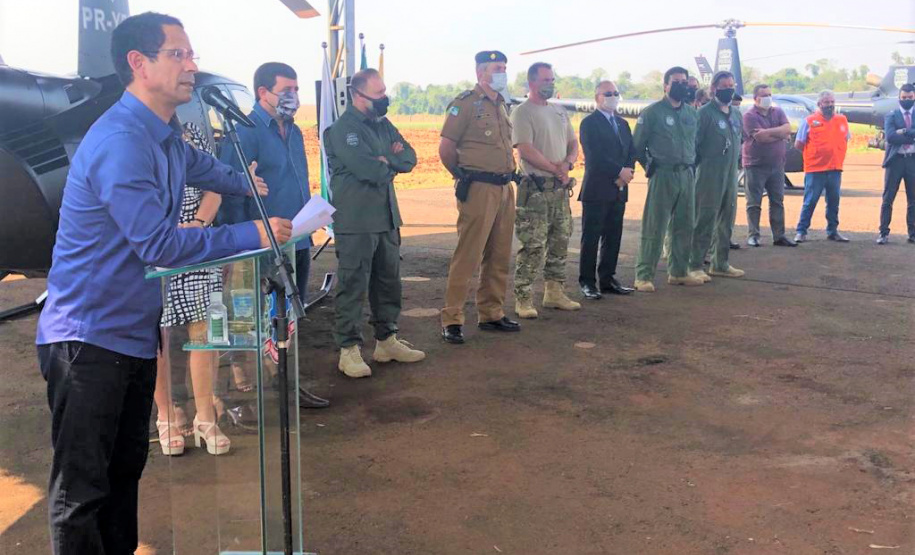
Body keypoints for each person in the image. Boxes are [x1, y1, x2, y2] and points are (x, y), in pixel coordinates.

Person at [34, 12, 291, 555]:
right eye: (178, 54)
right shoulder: (122, 141)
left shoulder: (165, 135)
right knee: (83, 491)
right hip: (86, 341)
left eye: (191, 54)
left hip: (131, 334)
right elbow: (158, 246)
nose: (192, 65)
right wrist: (250, 232)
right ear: (138, 63)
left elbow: (204, 167)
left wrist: (247, 181)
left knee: (125, 474)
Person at [218, 62, 328, 408]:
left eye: (296, 90)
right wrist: (239, 245)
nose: (293, 97)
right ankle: (262, 387)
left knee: (289, 315)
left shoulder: (294, 130)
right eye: (286, 91)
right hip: (262, 245)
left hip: (297, 238)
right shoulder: (245, 132)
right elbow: (231, 190)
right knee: (258, 316)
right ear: (263, 93)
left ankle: (285, 382)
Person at [323, 68, 424, 377]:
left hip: (386, 217)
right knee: (353, 284)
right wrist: (385, 161)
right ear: (358, 96)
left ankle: (386, 340)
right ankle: (349, 350)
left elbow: (409, 157)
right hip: (356, 220)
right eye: (378, 94)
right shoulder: (342, 130)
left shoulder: (383, 124)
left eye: (384, 92)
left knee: (388, 281)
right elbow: (370, 171)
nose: (384, 99)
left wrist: (387, 160)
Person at [154, 122, 231, 457]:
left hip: (198, 246)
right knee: (158, 337)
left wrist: (198, 224)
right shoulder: (134, 141)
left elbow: (215, 187)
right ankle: (167, 415)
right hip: (156, 248)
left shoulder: (193, 135)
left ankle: (205, 417)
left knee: (205, 334)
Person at [439, 51, 521, 344]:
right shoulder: (465, 105)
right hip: (478, 188)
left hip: (503, 188)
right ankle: (452, 318)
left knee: (499, 254)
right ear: (481, 73)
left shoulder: (502, 104)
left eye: (504, 68)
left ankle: (491, 312)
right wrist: (462, 175)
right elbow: (446, 148)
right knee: (468, 254)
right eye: (498, 68)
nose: (503, 72)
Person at [511, 62, 581, 318]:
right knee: (533, 245)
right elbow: (525, 149)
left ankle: (554, 292)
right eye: (545, 79)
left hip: (559, 189)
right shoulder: (522, 112)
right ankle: (523, 297)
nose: (550, 83)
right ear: (531, 82)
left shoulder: (560, 112)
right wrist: (556, 168)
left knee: (560, 240)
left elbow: (573, 143)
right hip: (536, 189)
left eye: (552, 79)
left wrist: (568, 164)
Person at [632, 66, 703, 292]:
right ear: (666, 86)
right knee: (655, 226)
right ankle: (644, 275)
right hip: (663, 174)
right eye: (676, 81)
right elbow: (637, 146)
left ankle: (679, 272)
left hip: (687, 174)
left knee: (684, 225)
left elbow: (696, 143)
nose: (682, 85)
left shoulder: (692, 113)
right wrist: (650, 166)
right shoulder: (652, 113)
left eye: (685, 81)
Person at [578, 80, 637, 300]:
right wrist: (619, 172)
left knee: (613, 236)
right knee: (591, 237)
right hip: (597, 188)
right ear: (597, 98)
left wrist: (627, 172)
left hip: (619, 189)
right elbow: (594, 157)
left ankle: (608, 278)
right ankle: (587, 282)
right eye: (607, 93)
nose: (612, 97)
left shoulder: (622, 123)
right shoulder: (589, 123)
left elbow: (631, 150)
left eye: (615, 93)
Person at [688, 71, 745, 281]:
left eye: (732, 85)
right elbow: (693, 145)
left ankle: (720, 263)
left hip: (730, 173)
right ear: (713, 89)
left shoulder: (736, 114)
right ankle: (694, 264)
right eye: (724, 86)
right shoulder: (704, 113)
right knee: (704, 219)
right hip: (708, 175)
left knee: (727, 219)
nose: (729, 89)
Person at [742, 83, 797, 247]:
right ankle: (753, 235)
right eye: (764, 95)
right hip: (755, 165)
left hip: (777, 165)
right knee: (754, 202)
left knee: (777, 201)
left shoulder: (778, 111)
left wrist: (770, 133)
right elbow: (760, 138)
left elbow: (787, 129)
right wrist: (779, 134)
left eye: (769, 94)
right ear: (755, 98)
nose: (767, 98)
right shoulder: (749, 116)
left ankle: (779, 235)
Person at [794, 90, 852, 243]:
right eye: (826, 102)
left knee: (834, 201)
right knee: (810, 201)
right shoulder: (809, 121)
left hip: (835, 168)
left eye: (832, 102)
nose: (830, 105)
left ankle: (832, 231)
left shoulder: (842, 120)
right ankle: (801, 231)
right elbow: (799, 144)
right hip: (815, 169)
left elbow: (846, 139)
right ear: (819, 104)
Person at [876, 83, 915, 244]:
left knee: (913, 200)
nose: (907, 100)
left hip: (912, 160)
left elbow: (897, 134)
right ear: (899, 98)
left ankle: (912, 233)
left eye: (910, 98)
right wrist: (911, 134)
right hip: (895, 161)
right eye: (904, 98)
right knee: (888, 198)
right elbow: (891, 137)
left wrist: (903, 131)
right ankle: (883, 233)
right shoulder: (891, 115)